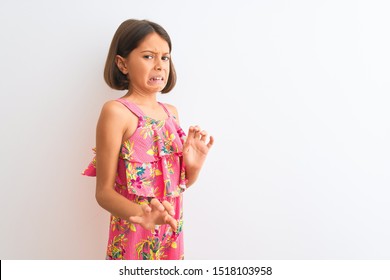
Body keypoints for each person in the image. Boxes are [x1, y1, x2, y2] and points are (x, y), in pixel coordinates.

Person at [82, 19, 214, 260]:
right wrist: (141, 214)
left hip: (170, 237)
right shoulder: (116, 112)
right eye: (148, 56)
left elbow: (173, 187)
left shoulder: (171, 113)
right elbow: (103, 192)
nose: (159, 66)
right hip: (133, 236)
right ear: (122, 63)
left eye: (165, 57)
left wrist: (192, 169)